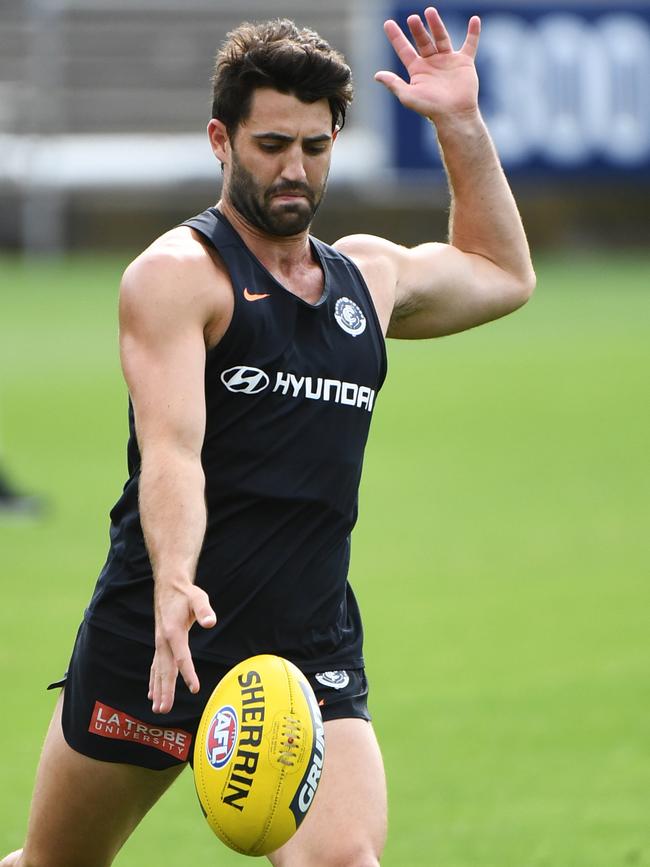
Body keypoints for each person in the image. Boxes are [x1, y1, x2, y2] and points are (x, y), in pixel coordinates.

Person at [2, 8, 535, 867]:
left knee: (341, 862)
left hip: (304, 647)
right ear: (222, 138)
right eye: (272, 144)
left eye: (315, 148)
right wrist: (175, 581)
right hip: (165, 632)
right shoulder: (180, 276)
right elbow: (171, 450)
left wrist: (461, 125)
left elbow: (504, 273)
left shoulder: (366, 276)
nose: (295, 170)